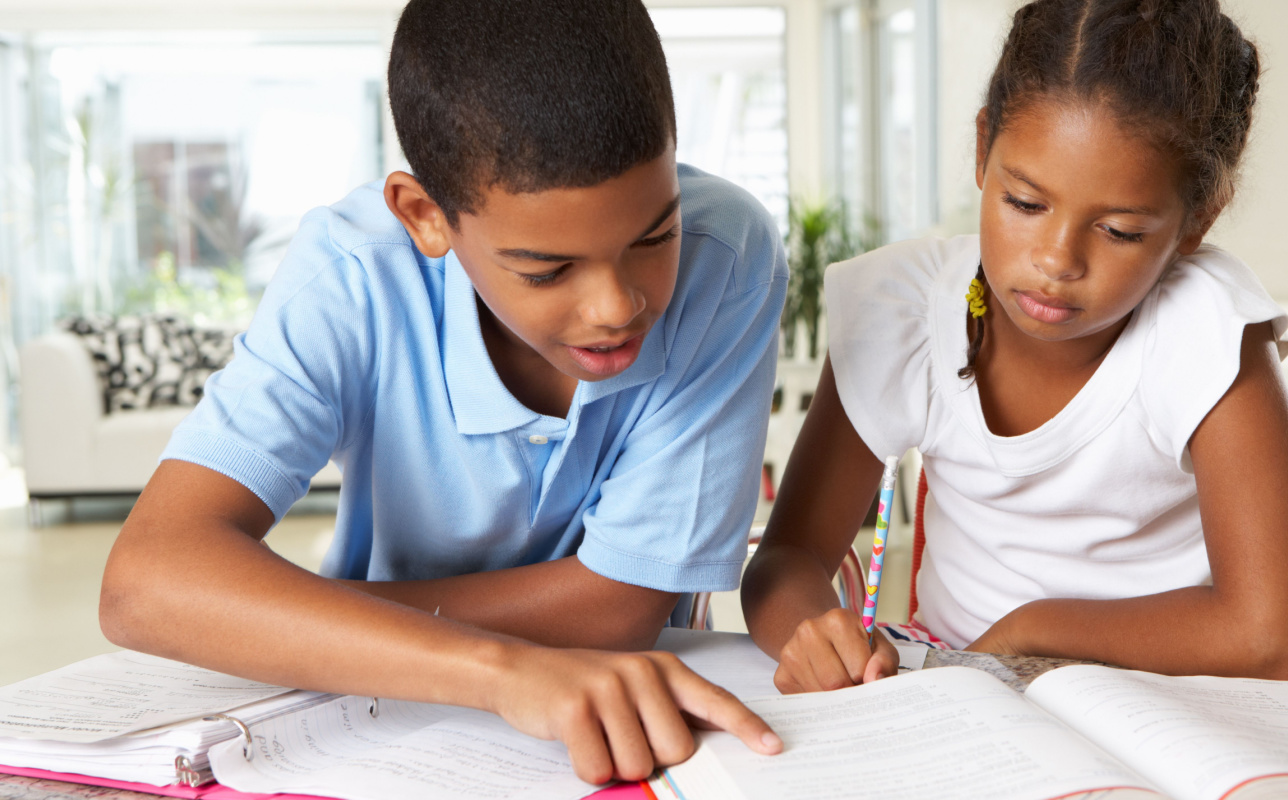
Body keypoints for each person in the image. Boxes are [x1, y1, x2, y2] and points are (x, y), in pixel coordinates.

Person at [99, 0, 787, 783]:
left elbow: (621, 605)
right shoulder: (352, 276)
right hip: (371, 723)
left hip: (595, 715)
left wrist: (303, 620)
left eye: (654, 236)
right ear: (425, 217)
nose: (616, 306)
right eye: (546, 269)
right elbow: (146, 583)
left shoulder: (727, 255)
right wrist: (499, 671)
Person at [741, 0, 1288, 695]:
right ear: (983, 148)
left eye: (1118, 231)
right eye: (1024, 204)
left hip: (1162, 701)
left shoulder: (1205, 329)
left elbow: (1279, 638)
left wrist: (1035, 629)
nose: (1055, 260)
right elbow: (788, 559)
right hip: (957, 699)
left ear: (1198, 217)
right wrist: (820, 639)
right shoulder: (902, 310)